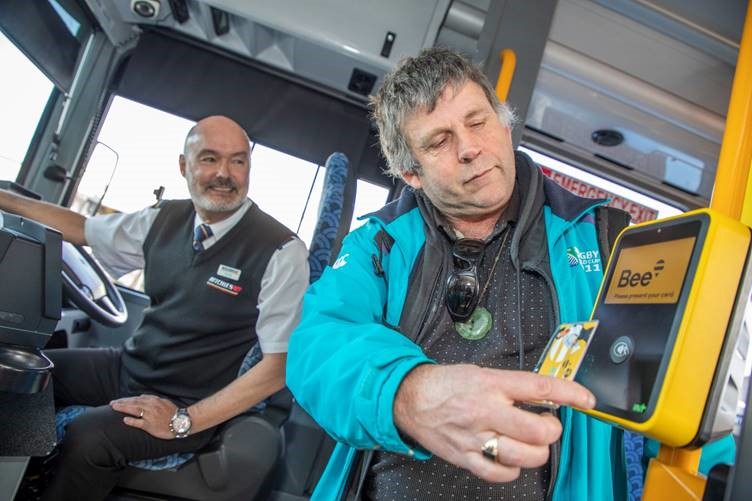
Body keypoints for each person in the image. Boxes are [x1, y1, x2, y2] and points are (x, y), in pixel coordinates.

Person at [286, 48, 732, 500]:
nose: (469, 148)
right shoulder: (378, 244)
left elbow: (671, 390)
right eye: (439, 141)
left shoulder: (605, 238)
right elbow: (317, 345)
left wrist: (726, 473)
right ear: (411, 173)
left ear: (503, 123)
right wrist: (408, 394)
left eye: (477, 121)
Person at [0, 115, 309, 500]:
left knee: (88, 439)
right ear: (184, 166)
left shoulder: (281, 251)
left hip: (190, 400)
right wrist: (7, 200)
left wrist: (184, 420)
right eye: (210, 159)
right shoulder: (165, 219)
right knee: (20, 379)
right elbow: (83, 229)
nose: (225, 174)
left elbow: (278, 367)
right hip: (127, 368)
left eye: (238, 161)